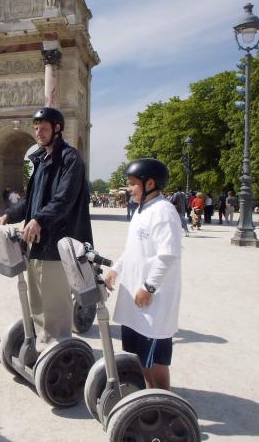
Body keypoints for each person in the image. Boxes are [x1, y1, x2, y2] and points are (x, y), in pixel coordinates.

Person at [0, 107, 93, 343]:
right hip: (37, 241)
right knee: (37, 298)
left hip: (57, 242)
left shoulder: (70, 159)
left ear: (57, 128)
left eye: (44, 127)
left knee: (55, 301)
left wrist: (39, 219)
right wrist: (10, 215)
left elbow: (64, 199)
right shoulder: (41, 160)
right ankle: (43, 341)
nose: (38, 132)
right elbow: (32, 199)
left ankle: (58, 344)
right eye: (36, 127)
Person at [104, 158, 181, 391]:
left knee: (156, 358)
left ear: (150, 184)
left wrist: (149, 286)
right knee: (139, 352)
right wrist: (115, 270)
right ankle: (148, 394)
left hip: (152, 298)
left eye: (132, 183)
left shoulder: (164, 211)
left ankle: (164, 401)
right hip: (135, 297)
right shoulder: (141, 211)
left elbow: (168, 255)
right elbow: (132, 251)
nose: (129, 188)